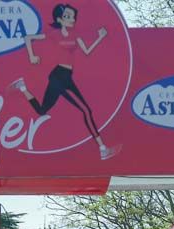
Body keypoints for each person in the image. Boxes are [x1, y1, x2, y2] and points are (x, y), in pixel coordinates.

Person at [12, 3, 118, 160]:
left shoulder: (75, 35)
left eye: (73, 17)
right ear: (59, 19)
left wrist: (100, 38)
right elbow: (28, 38)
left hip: (65, 76)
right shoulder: (54, 34)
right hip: (59, 76)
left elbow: (87, 51)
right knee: (86, 110)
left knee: (42, 111)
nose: (72, 19)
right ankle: (102, 149)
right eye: (67, 16)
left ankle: (22, 87)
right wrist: (32, 56)